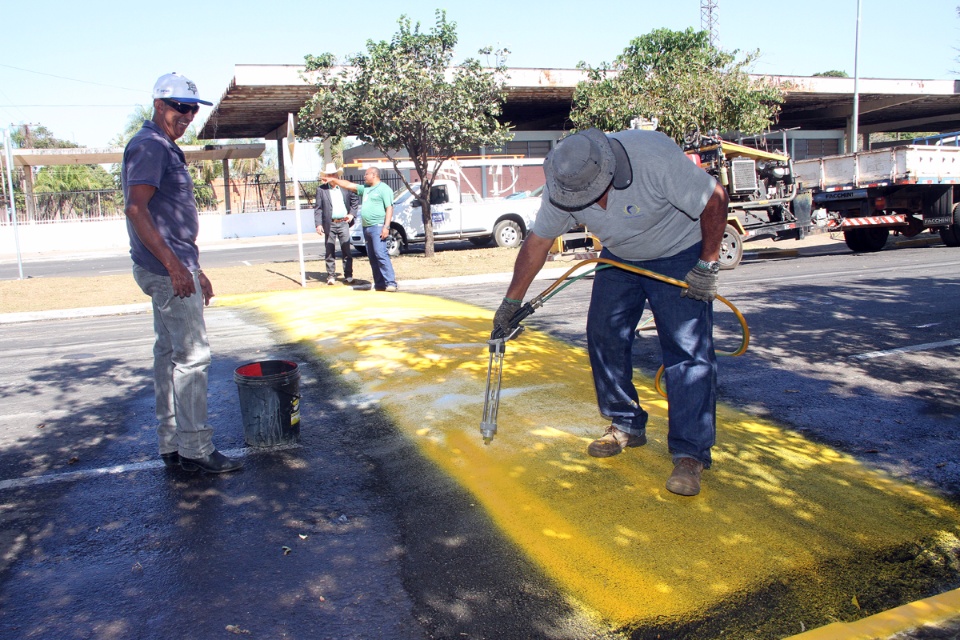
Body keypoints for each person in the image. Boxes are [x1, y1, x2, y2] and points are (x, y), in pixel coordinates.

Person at [493, 128, 729, 496]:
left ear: (608, 172)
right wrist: (511, 302)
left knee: (686, 350)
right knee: (603, 333)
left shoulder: (653, 157)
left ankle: (690, 454)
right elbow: (537, 242)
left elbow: (715, 199)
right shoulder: (565, 182)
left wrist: (708, 264)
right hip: (620, 256)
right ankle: (626, 423)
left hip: (680, 251)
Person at [122, 72, 243, 474]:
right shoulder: (150, 146)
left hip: (171, 267)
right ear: (159, 105)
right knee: (193, 358)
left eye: (192, 109)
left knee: (168, 354)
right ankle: (195, 450)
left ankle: (172, 443)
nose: (188, 116)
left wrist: (194, 268)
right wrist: (176, 267)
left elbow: (168, 219)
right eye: (180, 107)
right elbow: (136, 209)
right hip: (165, 270)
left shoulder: (159, 146)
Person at [322, 167, 398, 292]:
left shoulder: (384, 189)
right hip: (366, 227)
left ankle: (391, 283)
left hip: (378, 226)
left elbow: (389, 208)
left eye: (366, 174)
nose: (364, 176)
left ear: (374, 175)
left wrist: (386, 227)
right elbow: (348, 185)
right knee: (372, 257)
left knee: (381, 254)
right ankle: (380, 284)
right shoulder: (366, 188)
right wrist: (333, 180)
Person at [315, 162, 360, 285]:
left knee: (346, 249)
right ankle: (331, 275)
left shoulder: (345, 188)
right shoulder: (321, 190)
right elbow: (318, 208)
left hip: (343, 222)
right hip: (329, 223)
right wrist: (318, 224)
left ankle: (348, 275)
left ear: (337, 175)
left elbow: (355, 200)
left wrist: (352, 214)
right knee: (329, 249)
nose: (332, 176)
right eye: (329, 175)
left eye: (333, 174)